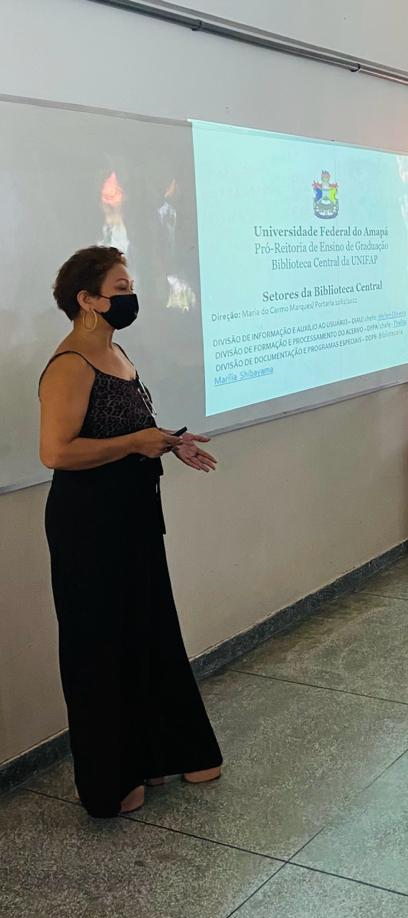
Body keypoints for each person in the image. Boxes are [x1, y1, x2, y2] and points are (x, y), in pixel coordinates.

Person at [39, 245, 223, 818]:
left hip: (134, 517)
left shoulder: (117, 352)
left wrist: (167, 441)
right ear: (87, 301)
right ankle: (113, 776)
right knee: (100, 645)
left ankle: (164, 751)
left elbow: (127, 427)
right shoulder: (70, 364)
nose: (130, 296)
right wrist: (134, 445)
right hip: (88, 526)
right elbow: (56, 452)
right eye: (119, 288)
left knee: (148, 632)